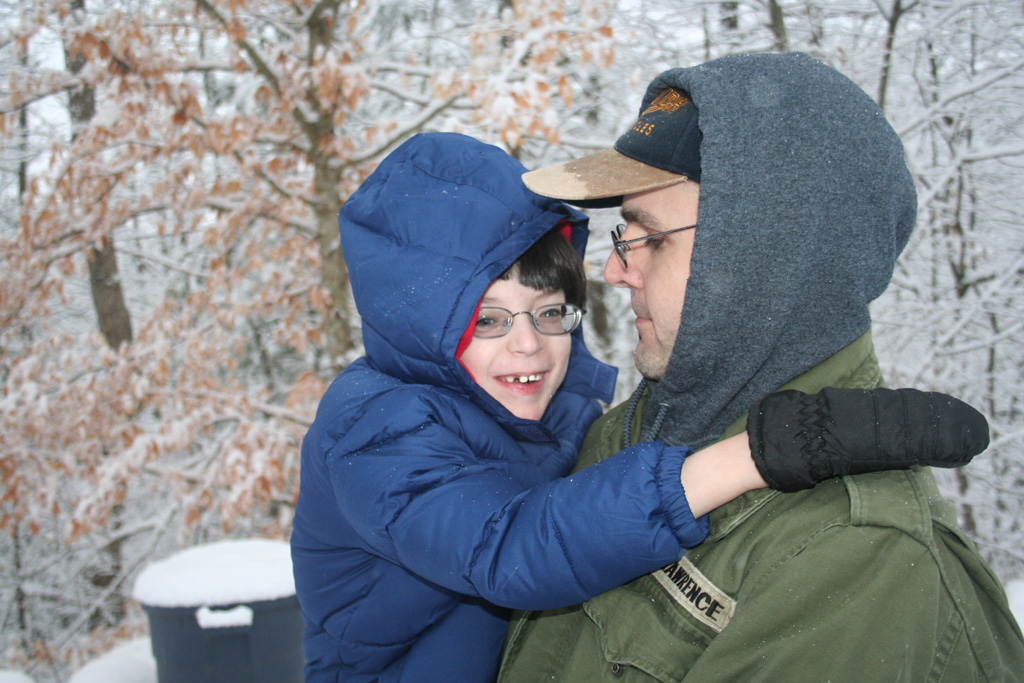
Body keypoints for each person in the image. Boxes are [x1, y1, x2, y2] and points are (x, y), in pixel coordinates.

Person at [289, 132, 987, 682]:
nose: (529, 347)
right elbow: (508, 544)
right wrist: (757, 454)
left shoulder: (564, 415)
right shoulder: (372, 430)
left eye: (551, 311)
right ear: (422, 330)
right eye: (488, 321)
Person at [496, 52, 1024, 681]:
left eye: (652, 240)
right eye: (620, 238)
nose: (613, 271)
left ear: (760, 265)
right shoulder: (634, 430)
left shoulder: (854, 561)